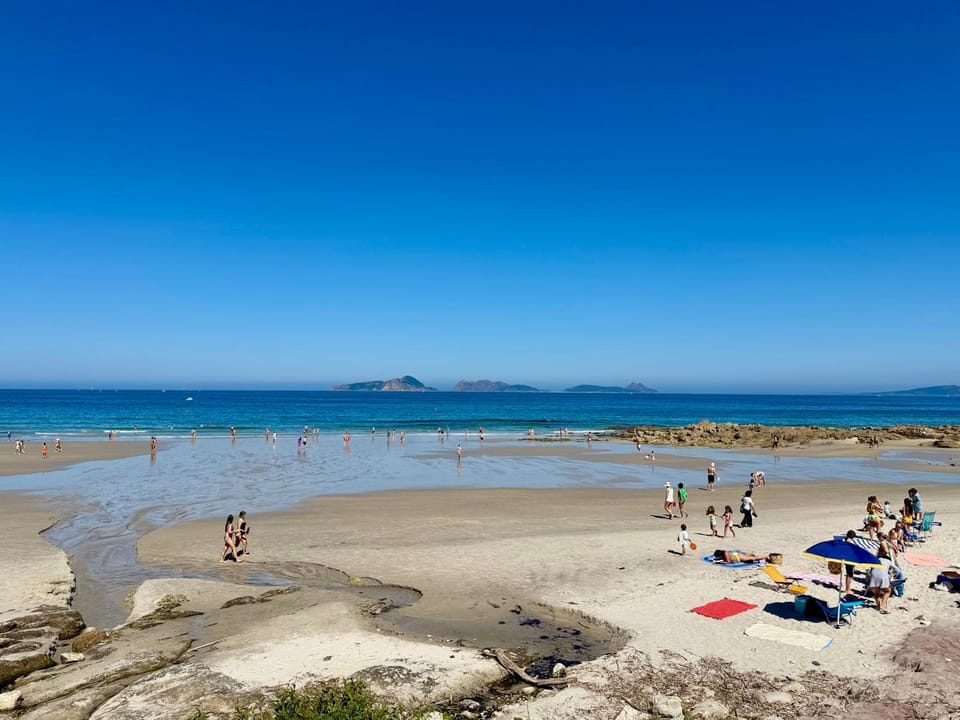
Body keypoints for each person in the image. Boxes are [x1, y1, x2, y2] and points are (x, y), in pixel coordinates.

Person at [869, 548, 894, 612]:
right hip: (883, 576)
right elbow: (897, 570)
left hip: (874, 576)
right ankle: (882, 606)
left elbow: (870, 570)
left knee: (877, 592)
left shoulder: (875, 559)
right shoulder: (888, 561)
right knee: (888, 591)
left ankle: (878, 606)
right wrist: (891, 574)